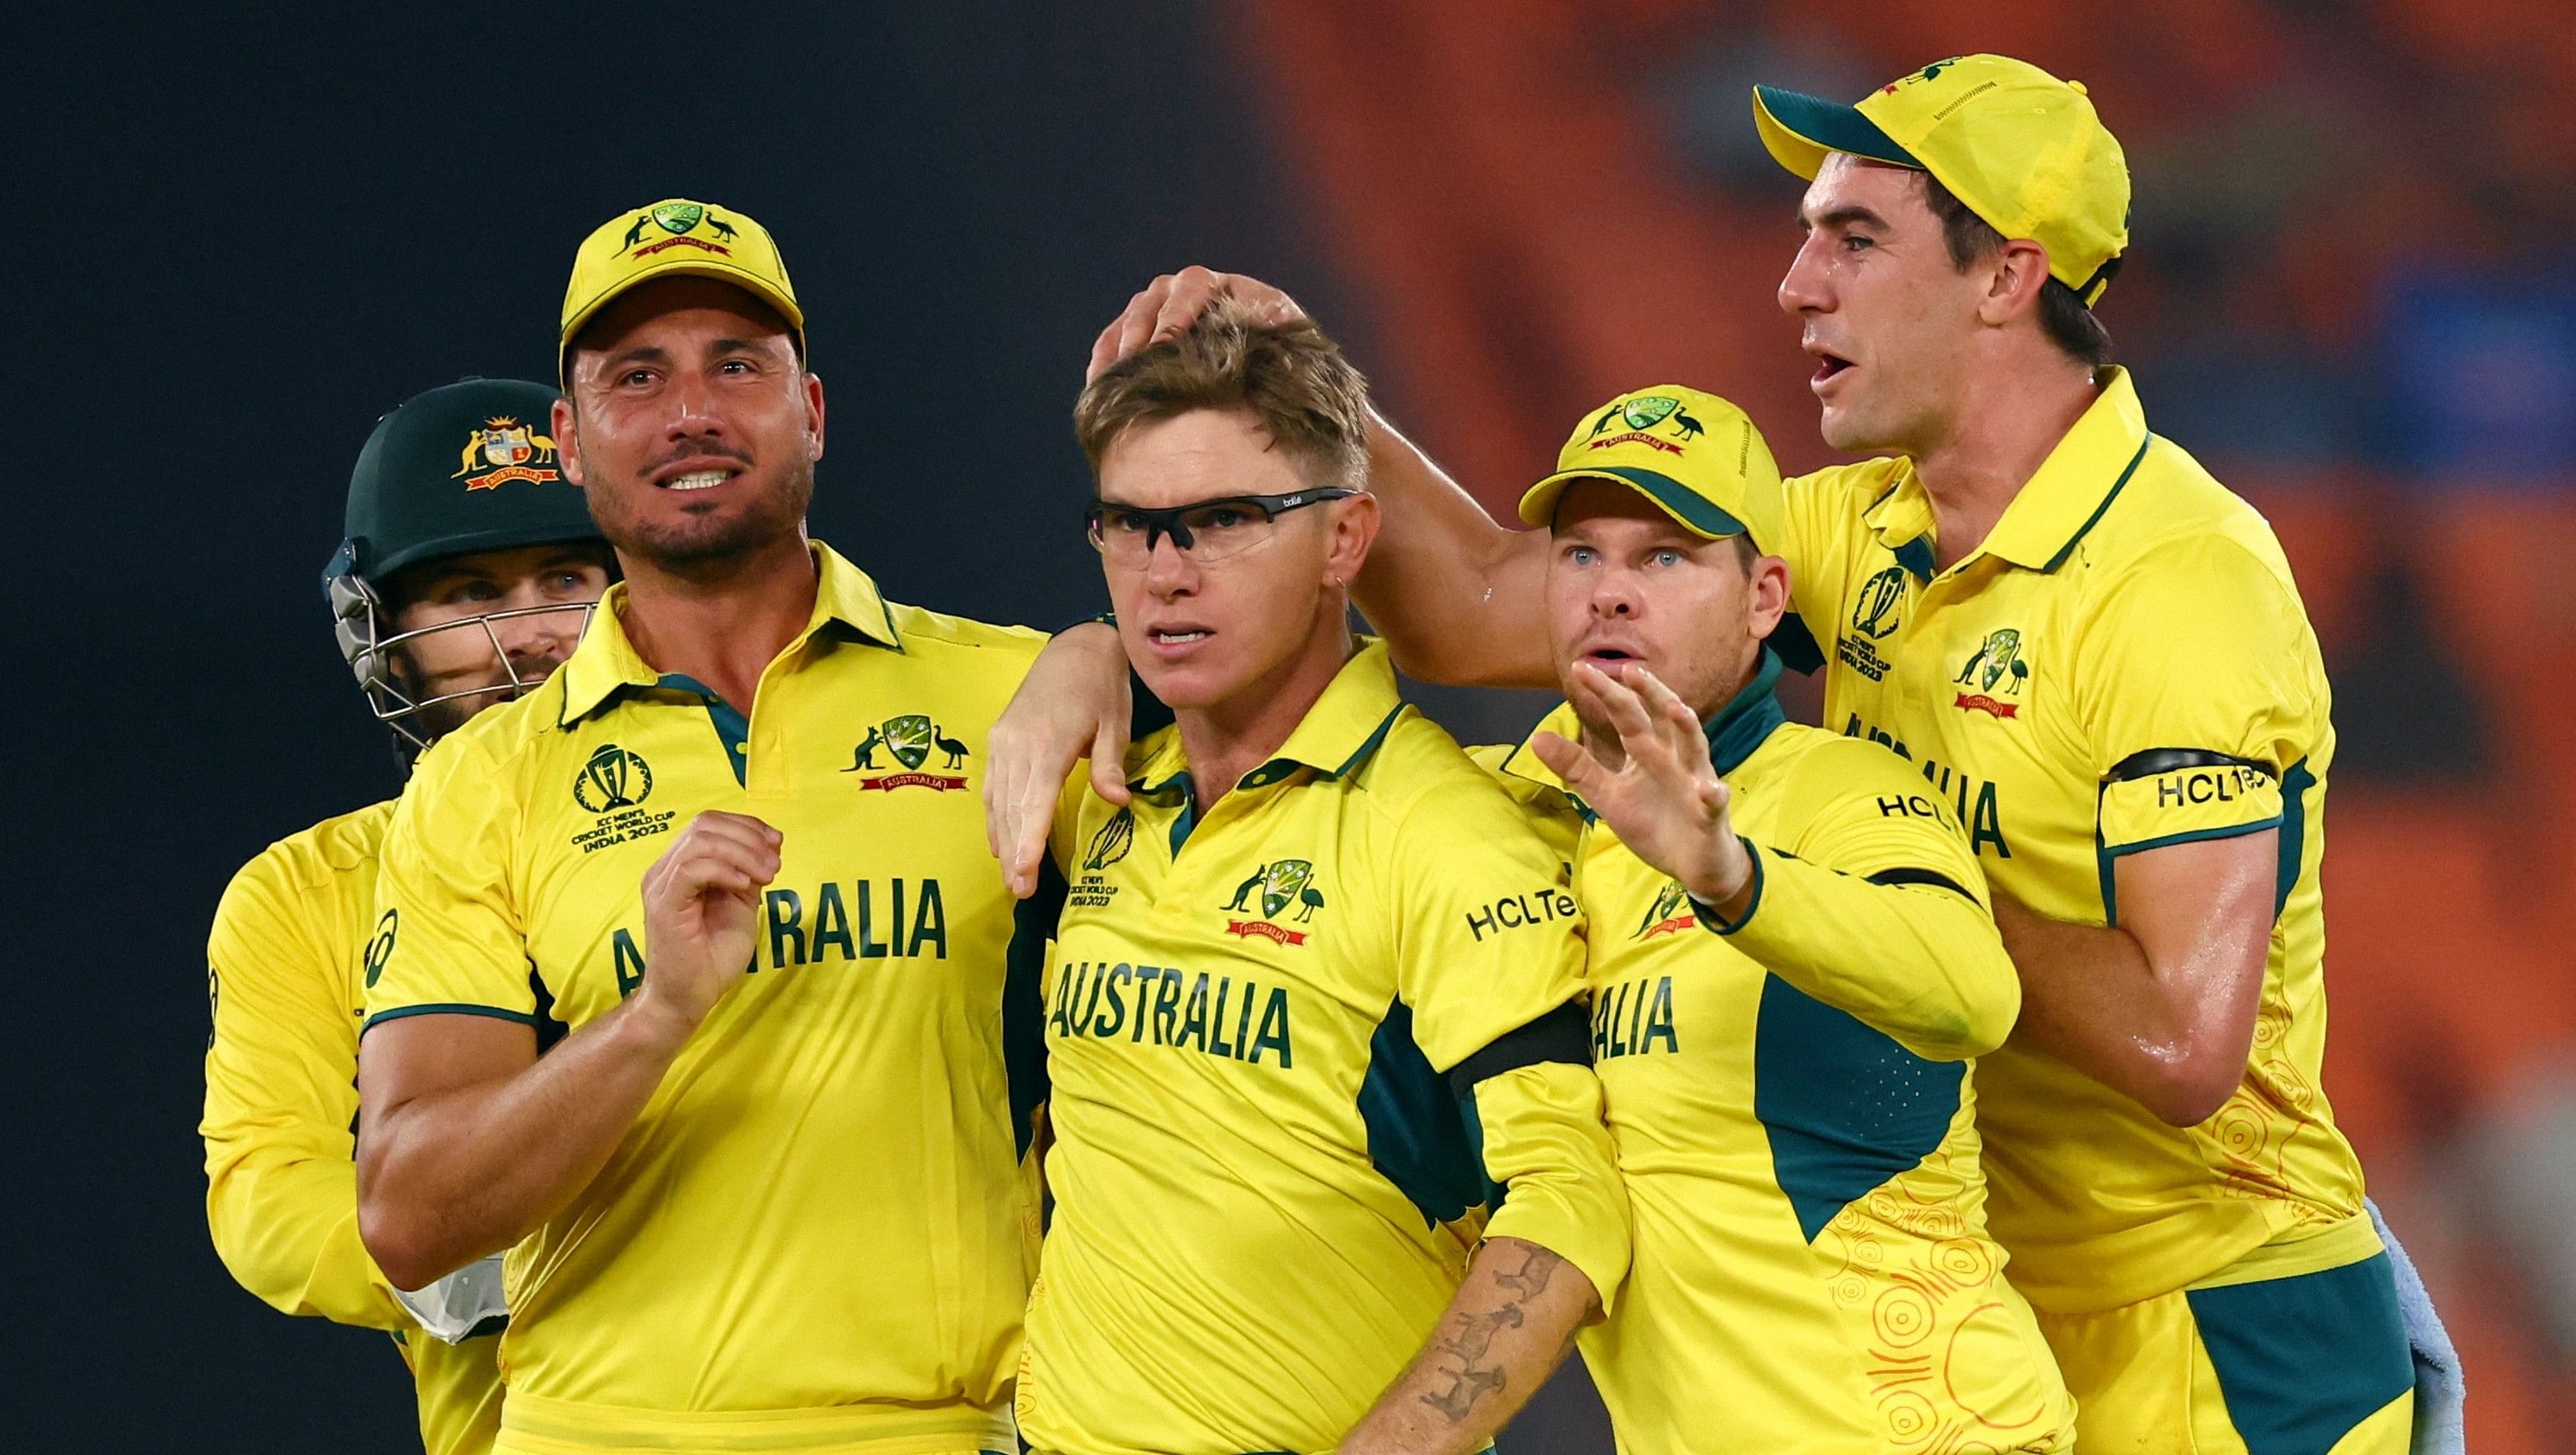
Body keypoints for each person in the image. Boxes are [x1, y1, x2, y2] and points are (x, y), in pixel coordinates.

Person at [997, 53, 2411, 1455]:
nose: (1796, 286)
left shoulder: (2181, 583)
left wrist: (1845, 874)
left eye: (1853, 240)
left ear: (2005, 279)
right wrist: (1277, 422)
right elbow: (1496, 597)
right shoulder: (1847, 530)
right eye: (1804, 241)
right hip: (1978, 1294)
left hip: (2222, 1327)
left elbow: (2181, 1046)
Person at [354, 199, 1049, 1455]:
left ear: (814, 412)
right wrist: (655, 1016)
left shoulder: (1012, 692)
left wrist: (1102, 658)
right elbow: (408, 1211)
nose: (691, 411)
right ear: (568, 439)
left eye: (738, 364)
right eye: (636, 376)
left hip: (936, 1432)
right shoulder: (483, 783)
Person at [1015, 300, 1625, 1455]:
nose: (1165, 574)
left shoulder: (1445, 837)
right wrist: (1073, 652)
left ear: (1346, 538)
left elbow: (1569, 1205)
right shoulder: (1087, 799)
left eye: (1225, 520)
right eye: (1130, 526)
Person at [1469, 384, 2071, 1452]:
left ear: (1762, 598)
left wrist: (1731, 876)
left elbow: (1974, 995)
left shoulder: (1837, 794)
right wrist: (1095, 657)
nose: (1612, 593)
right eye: (1582, 555)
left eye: (1665, 557)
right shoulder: (1502, 810)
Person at [203, 375, 615, 1455]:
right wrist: (454, 1256)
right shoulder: (305, 892)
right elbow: (263, 1188)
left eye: (565, 578)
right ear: (384, 634)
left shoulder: (765, 811)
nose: (526, 635)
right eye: (467, 593)